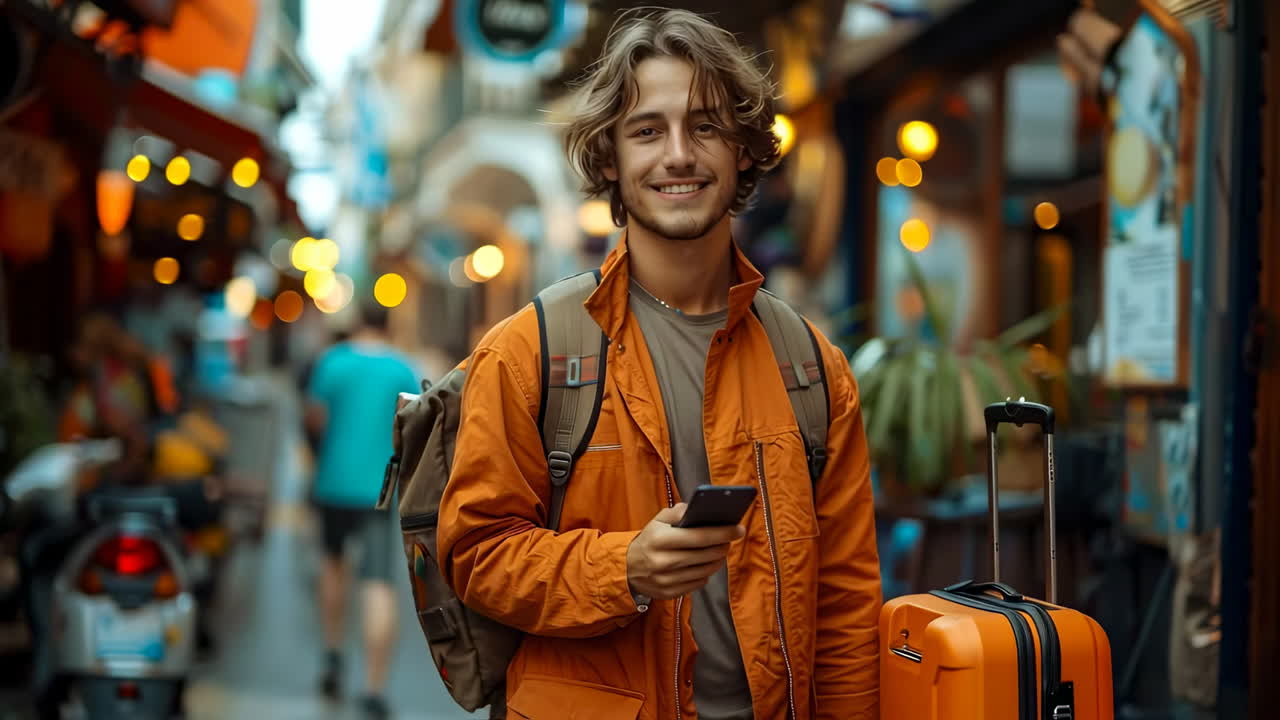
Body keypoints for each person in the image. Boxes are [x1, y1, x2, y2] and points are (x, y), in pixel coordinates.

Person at [438, 8, 881, 720]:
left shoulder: (812, 368)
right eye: (647, 130)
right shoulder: (531, 352)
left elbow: (847, 606)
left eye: (705, 125)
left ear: (743, 148)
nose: (678, 154)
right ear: (610, 158)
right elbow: (476, 558)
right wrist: (624, 569)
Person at [305, 302, 419, 720]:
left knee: (333, 565)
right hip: (379, 490)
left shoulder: (332, 362)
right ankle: (373, 687)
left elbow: (315, 419)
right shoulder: (402, 369)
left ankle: (333, 653)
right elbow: (412, 426)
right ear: (387, 327)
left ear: (356, 324)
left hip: (333, 482)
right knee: (377, 582)